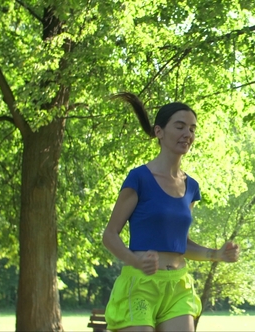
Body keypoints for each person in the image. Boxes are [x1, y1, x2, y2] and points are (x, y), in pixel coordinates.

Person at [102, 92, 240, 332]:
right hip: (141, 284)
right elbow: (110, 235)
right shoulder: (139, 178)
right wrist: (135, 261)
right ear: (159, 132)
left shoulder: (191, 187)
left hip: (178, 286)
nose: (188, 134)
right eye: (180, 126)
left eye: (192, 129)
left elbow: (181, 244)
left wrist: (217, 255)